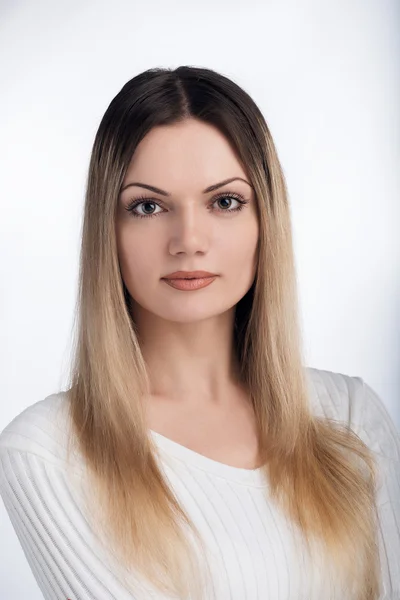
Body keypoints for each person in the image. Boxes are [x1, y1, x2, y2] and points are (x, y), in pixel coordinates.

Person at [0, 65, 399, 600]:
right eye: (148, 206)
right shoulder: (47, 451)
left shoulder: (350, 418)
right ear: (107, 231)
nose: (188, 239)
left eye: (225, 202)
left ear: (266, 220)